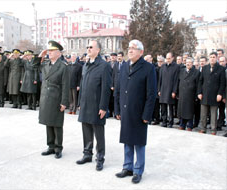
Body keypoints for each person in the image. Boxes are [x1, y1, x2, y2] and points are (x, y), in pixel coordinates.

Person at [114, 39, 157, 184]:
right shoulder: (125, 66)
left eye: (134, 48)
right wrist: (118, 109)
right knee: (127, 139)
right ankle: (128, 167)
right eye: (129, 48)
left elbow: (151, 94)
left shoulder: (148, 68)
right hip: (126, 109)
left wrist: (147, 114)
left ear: (141, 52)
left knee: (138, 142)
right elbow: (119, 89)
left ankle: (138, 170)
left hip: (139, 112)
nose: (130, 50)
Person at [76, 40, 112, 171]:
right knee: (86, 130)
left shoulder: (104, 66)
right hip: (85, 104)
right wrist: (79, 103)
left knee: (99, 133)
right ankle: (87, 154)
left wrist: (103, 107)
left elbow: (106, 88)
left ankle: (100, 158)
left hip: (97, 105)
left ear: (98, 50)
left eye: (91, 47)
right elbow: (82, 84)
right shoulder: (85, 65)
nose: (88, 49)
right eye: (87, 47)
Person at [36, 40, 69, 159]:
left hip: (56, 98)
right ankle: (50, 146)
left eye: (52, 51)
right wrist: (41, 55)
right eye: (49, 51)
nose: (49, 53)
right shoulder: (46, 64)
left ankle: (58, 147)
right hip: (46, 97)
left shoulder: (63, 66)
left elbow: (66, 85)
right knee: (48, 122)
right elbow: (34, 65)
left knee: (57, 124)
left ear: (58, 53)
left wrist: (64, 102)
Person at [197, 52, 226, 135]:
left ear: (216, 58)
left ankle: (213, 130)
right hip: (204, 94)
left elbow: (222, 83)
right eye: (211, 57)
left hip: (215, 95)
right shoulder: (205, 68)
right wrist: (199, 92)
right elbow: (200, 81)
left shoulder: (221, 69)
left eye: (214, 57)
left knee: (213, 114)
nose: (212, 58)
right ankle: (203, 128)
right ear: (209, 58)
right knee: (203, 113)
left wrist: (220, 94)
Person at [177, 57, 200, 131]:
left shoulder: (196, 72)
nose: (188, 63)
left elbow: (198, 85)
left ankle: (189, 125)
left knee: (189, 111)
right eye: (187, 62)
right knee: (182, 110)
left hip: (191, 95)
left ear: (192, 63)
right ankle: (182, 124)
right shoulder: (181, 71)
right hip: (182, 94)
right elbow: (178, 82)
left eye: (190, 62)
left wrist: (197, 95)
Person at [158, 52, 180, 128]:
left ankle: (170, 122)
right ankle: (164, 121)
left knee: (170, 107)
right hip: (163, 89)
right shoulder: (163, 66)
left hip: (171, 90)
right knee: (163, 107)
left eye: (169, 58)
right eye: (166, 58)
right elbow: (160, 79)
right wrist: (159, 90)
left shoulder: (176, 67)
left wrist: (174, 91)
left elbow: (176, 80)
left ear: (172, 58)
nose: (167, 60)